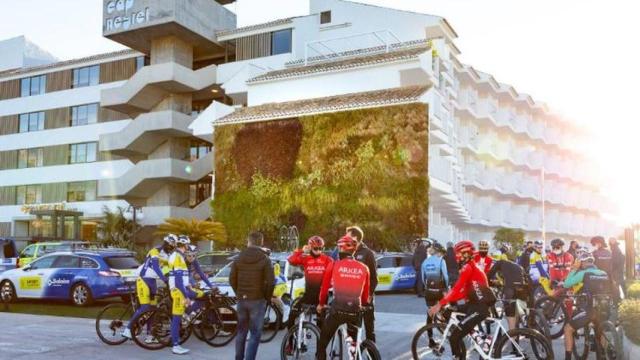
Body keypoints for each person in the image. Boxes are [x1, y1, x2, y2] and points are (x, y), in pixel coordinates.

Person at [428, 240, 496, 360]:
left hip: (479, 308)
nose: (456, 257)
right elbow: (462, 292)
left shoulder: (468, 268)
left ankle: (481, 340)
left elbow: (457, 289)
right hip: (475, 304)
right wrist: (446, 303)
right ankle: (479, 336)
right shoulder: (471, 267)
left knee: (454, 337)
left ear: (465, 254)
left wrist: (439, 304)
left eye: (458, 254)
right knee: (450, 311)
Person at [316, 235, 371, 360]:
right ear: (354, 251)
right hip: (355, 311)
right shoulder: (364, 268)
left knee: (322, 344)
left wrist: (321, 304)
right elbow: (365, 296)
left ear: (341, 249)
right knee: (353, 347)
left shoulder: (334, 265)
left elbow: (324, 289)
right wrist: (362, 305)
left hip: (337, 311)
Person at [121, 234, 176, 342]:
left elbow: (169, 268)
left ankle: (150, 335)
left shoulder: (168, 255)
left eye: (172, 247)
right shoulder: (154, 251)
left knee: (153, 309)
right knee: (145, 307)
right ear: (165, 243)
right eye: (169, 246)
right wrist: (164, 279)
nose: (170, 249)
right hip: (143, 279)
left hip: (153, 281)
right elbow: (155, 267)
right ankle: (128, 329)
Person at [284, 235, 333, 354]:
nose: (318, 251)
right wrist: (302, 250)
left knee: (321, 327)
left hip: (322, 297)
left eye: (321, 248)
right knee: (290, 318)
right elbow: (291, 260)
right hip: (308, 296)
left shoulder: (328, 260)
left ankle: (320, 352)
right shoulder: (306, 258)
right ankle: (291, 345)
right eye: (315, 248)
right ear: (310, 247)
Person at [230, 232, 275, 360]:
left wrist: (238, 293)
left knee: (241, 332)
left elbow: (232, 279)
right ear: (261, 243)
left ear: (248, 242)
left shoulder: (238, 258)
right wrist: (267, 297)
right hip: (258, 300)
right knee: (255, 334)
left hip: (242, 300)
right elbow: (271, 282)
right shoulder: (265, 259)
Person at [561, 252, 609, 360]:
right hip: (604, 309)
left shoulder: (584, 273)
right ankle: (604, 355)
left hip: (588, 310)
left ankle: (567, 358)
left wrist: (574, 269)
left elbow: (566, 284)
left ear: (582, 263)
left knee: (568, 329)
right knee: (600, 331)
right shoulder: (603, 272)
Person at [168, 235, 202, 355]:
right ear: (185, 245)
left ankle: (187, 314)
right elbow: (178, 280)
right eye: (187, 245)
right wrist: (185, 295)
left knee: (178, 318)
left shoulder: (178, 256)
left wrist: (188, 286)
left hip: (179, 289)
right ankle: (175, 345)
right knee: (176, 319)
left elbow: (182, 277)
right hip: (177, 291)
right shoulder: (177, 257)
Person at [348, 225, 378, 342]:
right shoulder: (349, 252)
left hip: (366, 300)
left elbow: (374, 278)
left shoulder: (368, 253)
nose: (346, 238)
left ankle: (372, 356)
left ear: (355, 237)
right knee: (352, 331)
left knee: (369, 331)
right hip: (352, 300)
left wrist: (369, 296)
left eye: (348, 236)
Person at [487, 244, 527, 330]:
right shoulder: (517, 265)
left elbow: (489, 275)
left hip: (510, 288)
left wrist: (488, 284)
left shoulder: (499, 262)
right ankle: (524, 322)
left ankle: (512, 336)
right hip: (522, 287)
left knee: (510, 313)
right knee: (517, 308)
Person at [421, 241, 448, 347]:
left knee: (430, 314)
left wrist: (428, 287)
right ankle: (448, 332)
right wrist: (447, 288)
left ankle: (430, 340)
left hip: (429, 292)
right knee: (444, 310)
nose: (441, 254)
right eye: (441, 252)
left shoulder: (425, 262)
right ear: (438, 252)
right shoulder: (441, 261)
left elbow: (423, 279)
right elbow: (445, 277)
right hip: (439, 291)